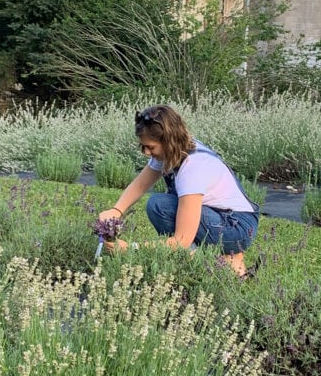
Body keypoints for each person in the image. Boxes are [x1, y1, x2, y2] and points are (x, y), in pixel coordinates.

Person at [98, 104, 259, 278]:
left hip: (236, 228)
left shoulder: (193, 168)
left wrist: (131, 248)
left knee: (161, 206)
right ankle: (222, 259)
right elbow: (141, 185)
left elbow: (182, 240)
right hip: (222, 218)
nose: (145, 152)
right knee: (158, 204)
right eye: (143, 146)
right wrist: (116, 210)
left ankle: (215, 262)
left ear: (168, 141)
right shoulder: (175, 151)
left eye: (150, 147)